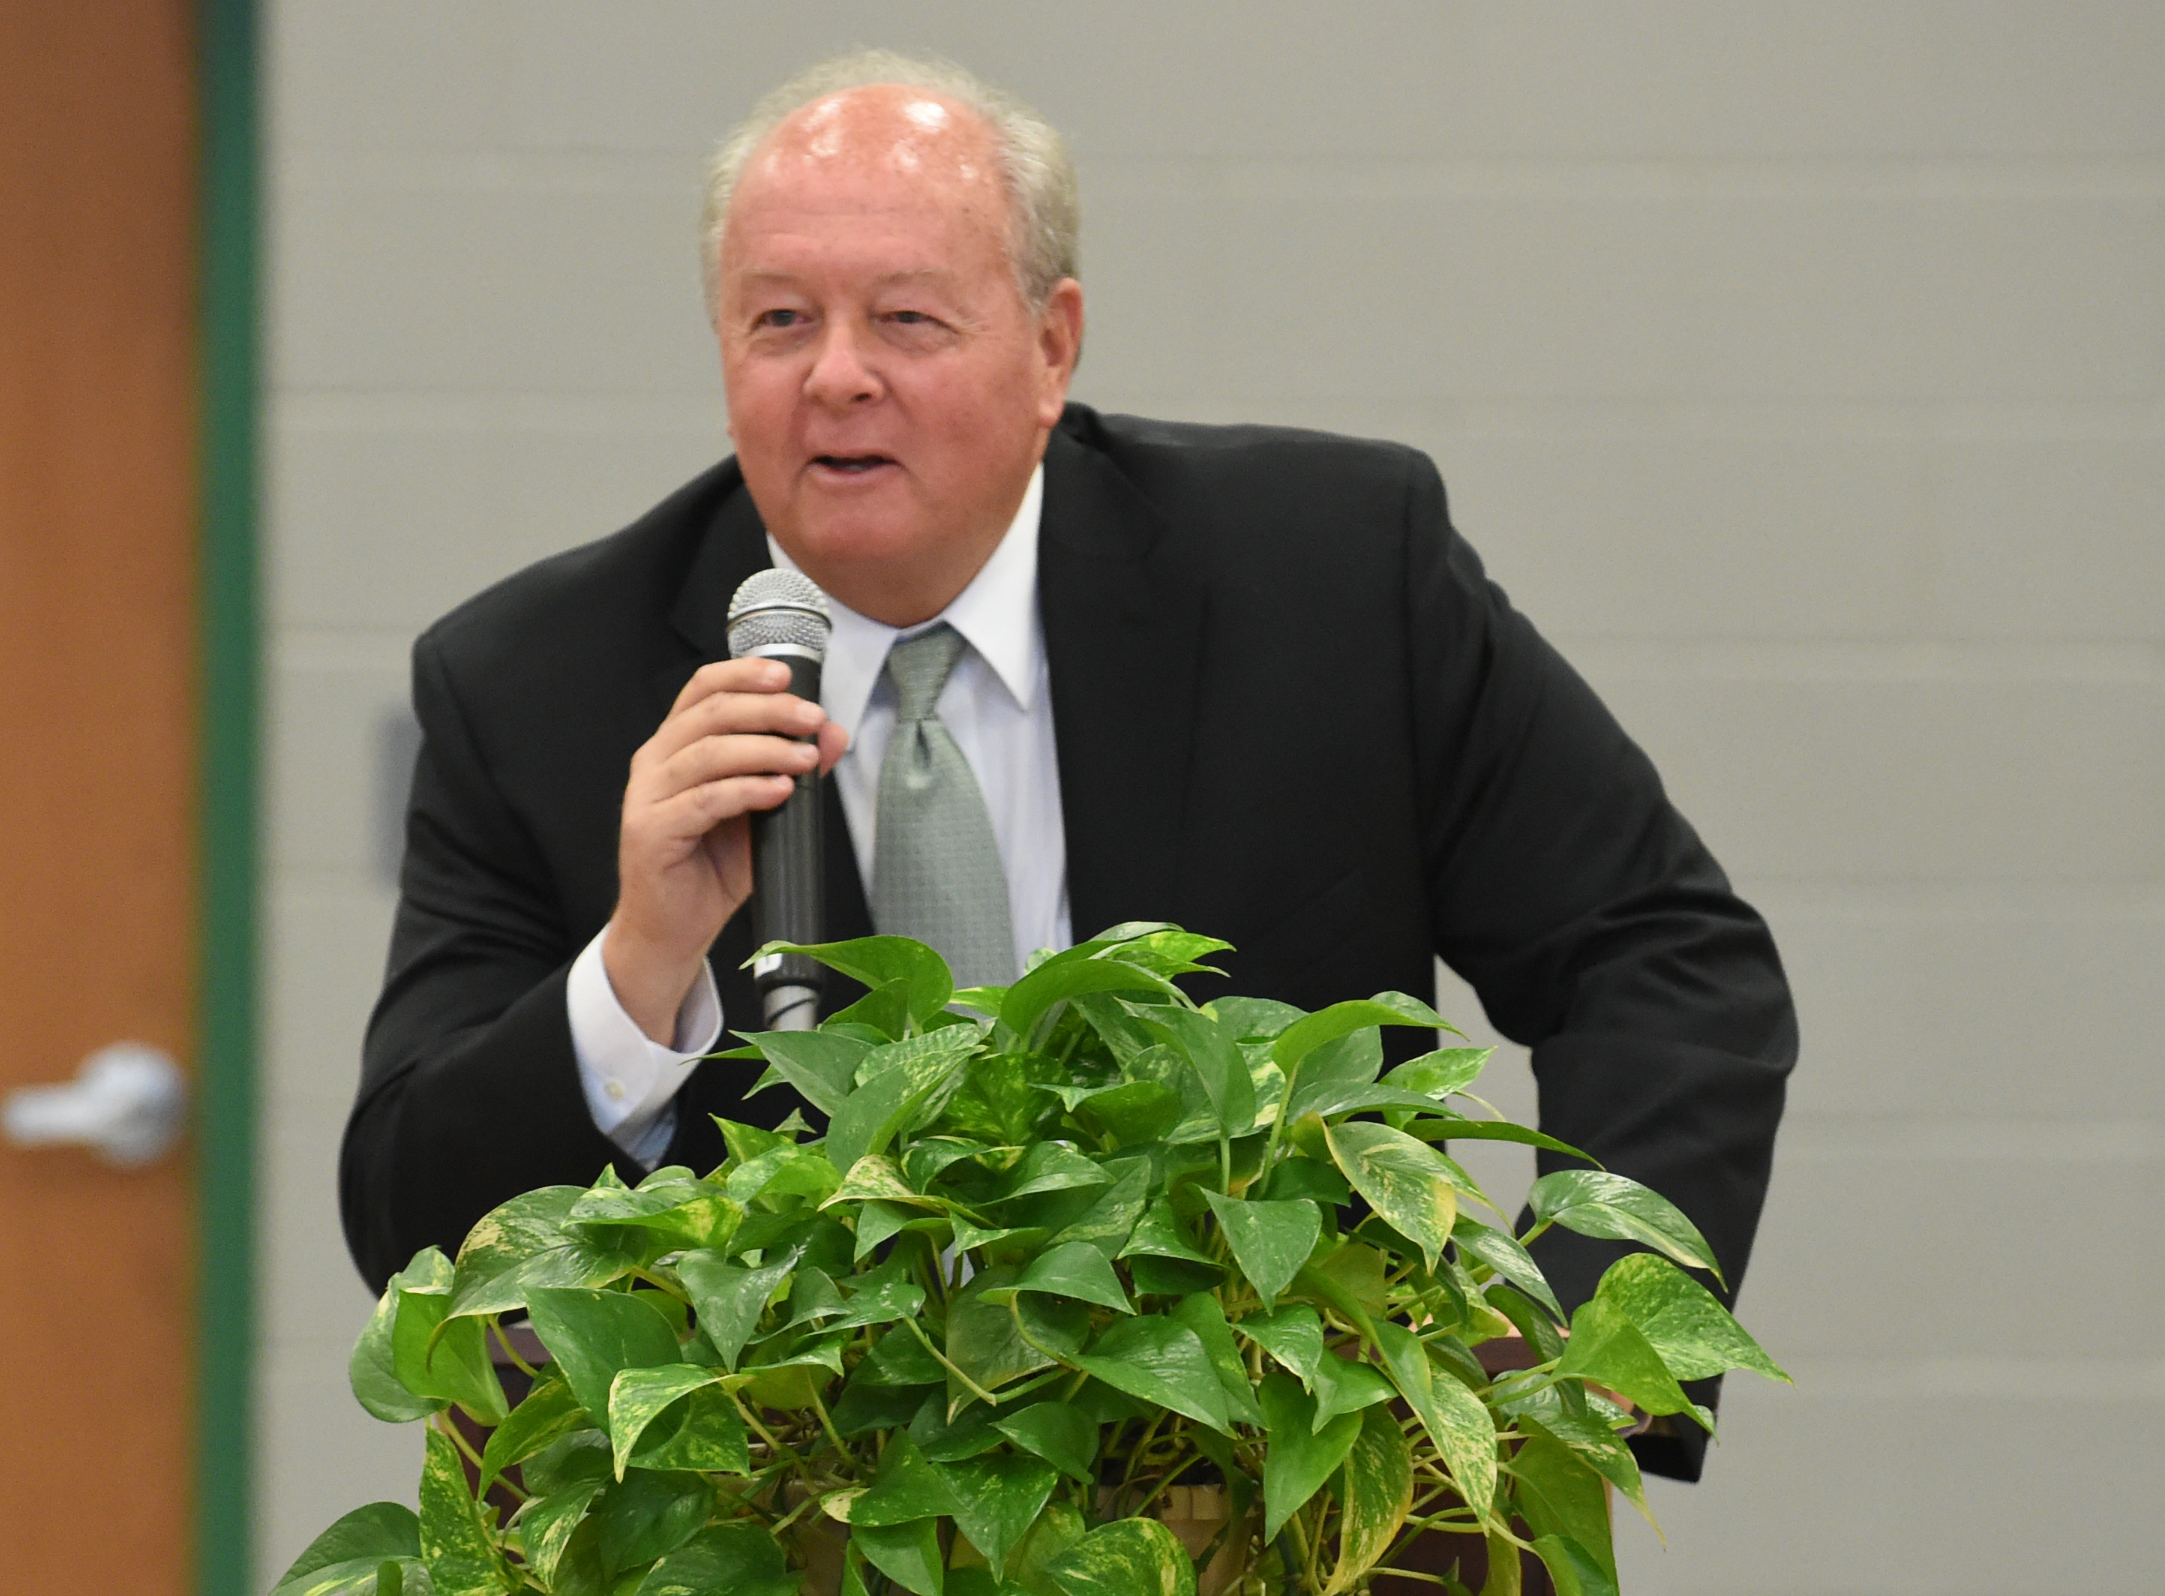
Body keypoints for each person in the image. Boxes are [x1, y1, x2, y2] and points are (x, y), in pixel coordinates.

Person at [340, 52, 1797, 1480]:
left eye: (906, 319)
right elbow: (407, 1217)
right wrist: (639, 962)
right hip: (799, 1511)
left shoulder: (1334, 574)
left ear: (1052, 346)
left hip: (1278, 1483)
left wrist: (1577, 1358)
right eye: (780, 320)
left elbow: (1658, 953)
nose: (836, 377)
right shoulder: (537, 686)